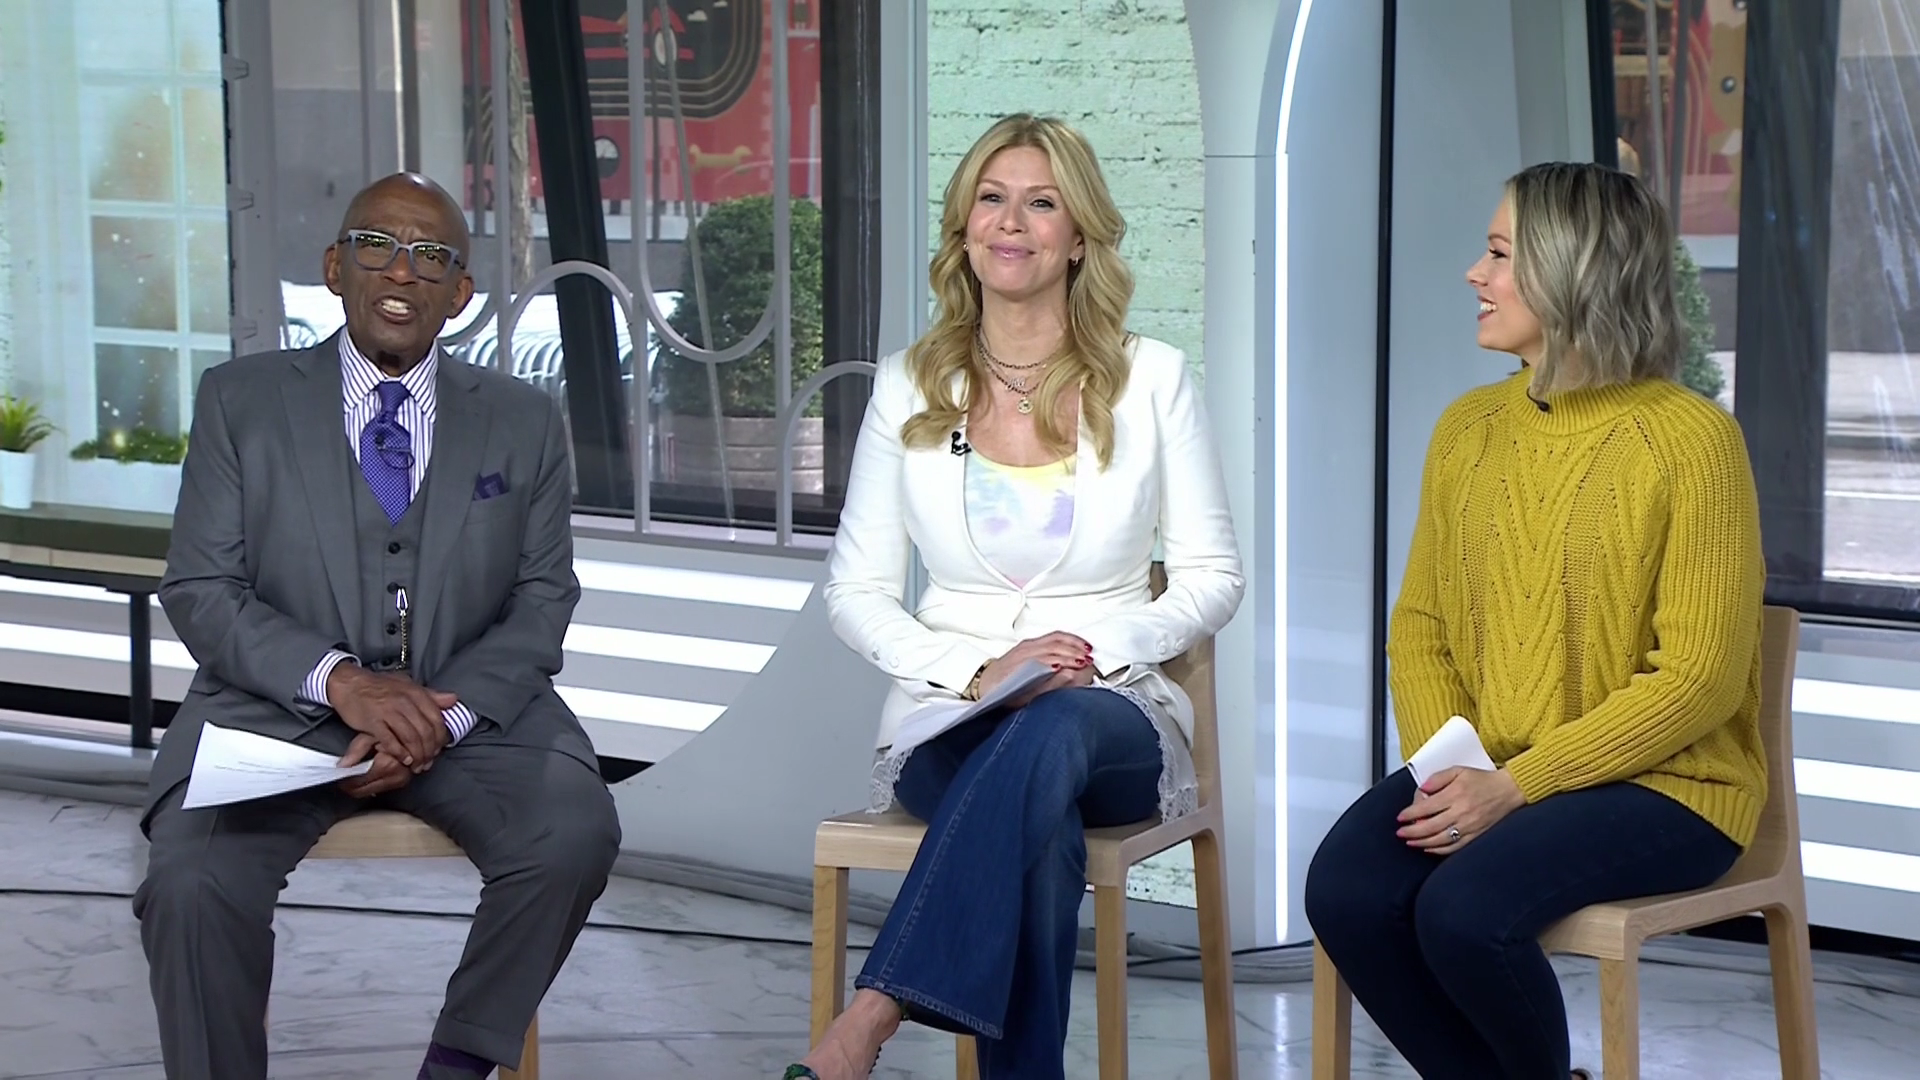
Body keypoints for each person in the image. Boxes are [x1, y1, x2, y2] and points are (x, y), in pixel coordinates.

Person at [783, 114, 1243, 1080]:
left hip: (1110, 712)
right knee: (1043, 836)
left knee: (1054, 729)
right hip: (950, 717)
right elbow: (856, 592)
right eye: (992, 200)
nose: (1012, 222)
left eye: (1041, 203)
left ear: (1078, 237)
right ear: (964, 229)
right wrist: (977, 670)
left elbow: (1213, 577)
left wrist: (1094, 651)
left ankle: (872, 1011)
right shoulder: (911, 385)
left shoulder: (1153, 379)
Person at [133, 173, 620, 1080]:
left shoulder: (523, 420)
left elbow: (544, 597)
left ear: (460, 292)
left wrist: (440, 716)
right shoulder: (240, 401)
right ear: (335, 267)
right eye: (377, 245)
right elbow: (202, 586)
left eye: (430, 255)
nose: (401, 270)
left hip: (472, 720)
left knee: (572, 833)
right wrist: (343, 683)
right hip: (271, 717)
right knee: (191, 885)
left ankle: (455, 1065)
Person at [1304, 161, 1766, 1080]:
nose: (1475, 274)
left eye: (1500, 253)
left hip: (1668, 786)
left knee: (1465, 912)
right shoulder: (1468, 428)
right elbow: (1422, 626)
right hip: (1492, 768)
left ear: (1574, 271)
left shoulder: (1693, 442)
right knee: (1348, 890)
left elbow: (1699, 679)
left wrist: (1520, 785)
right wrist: (1452, 770)